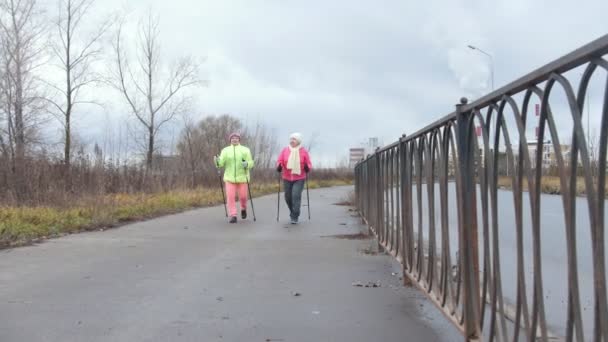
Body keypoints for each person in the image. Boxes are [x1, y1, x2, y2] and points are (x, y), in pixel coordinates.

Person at [214, 132, 255, 223]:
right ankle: (233, 215)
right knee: (230, 197)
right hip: (229, 178)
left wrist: (247, 164)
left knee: (243, 197)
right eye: (233, 138)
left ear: (239, 139)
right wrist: (217, 161)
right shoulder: (225, 150)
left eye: (236, 138)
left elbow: (251, 163)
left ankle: (243, 208)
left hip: (243, 178)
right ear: (230, 140)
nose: (234, 139)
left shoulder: (245, 150)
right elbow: (221, 163)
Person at [276, 132, 312, 224]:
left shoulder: (304, 151)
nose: (292, 141)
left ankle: (295, 215)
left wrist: (307, 167)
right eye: (291, 139)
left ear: (298, 141)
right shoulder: (285, 150)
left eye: (294, 139)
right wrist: (279, 166)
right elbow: (279, 160)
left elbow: (309, 163)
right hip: (286, 177)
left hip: (299, 177)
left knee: (295, 196)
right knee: (288, 197)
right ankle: (293, 211)